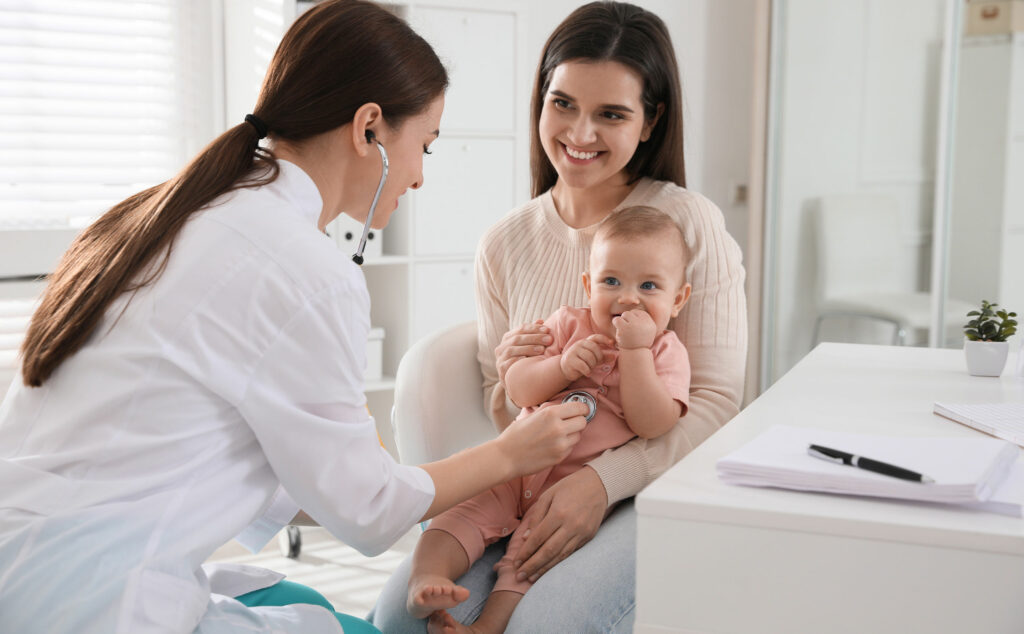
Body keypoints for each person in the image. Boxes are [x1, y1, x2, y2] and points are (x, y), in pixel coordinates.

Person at [0, 2, 590, 633]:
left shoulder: (172, 214)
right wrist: (510, 455)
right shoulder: (303, 267)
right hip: (95, 603)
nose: (419, 177)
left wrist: (374, 467)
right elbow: (367, 509)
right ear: (369, 129)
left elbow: (285, 462)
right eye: (424, 145)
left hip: (25, 565)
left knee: (298, 604)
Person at [371, 2, 747, 632]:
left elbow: (714, 407)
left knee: (543, 622)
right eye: (563, 103)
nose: (579, 132)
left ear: (651, 122)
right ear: (540, 101)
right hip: (526, 479)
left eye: (612, 114)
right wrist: (526, 371)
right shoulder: (505, 242)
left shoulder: (688, 225)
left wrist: (603, 481)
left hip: (648, 491)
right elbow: (502, 402)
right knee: (397, 619)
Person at [408, 206, 692, 634]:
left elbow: (654, 422)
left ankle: (485, 627)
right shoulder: (564, 324)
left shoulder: (665, 353)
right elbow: (518, 389)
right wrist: (560, 366)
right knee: (456, 516)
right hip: (513, 466)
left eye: (649, 286)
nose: (628, 297)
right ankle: (426, 578)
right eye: (610, 281)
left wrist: (635, 354)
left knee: (529, 561)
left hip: (566, 493)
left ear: (678, 300)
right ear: (587, 285)